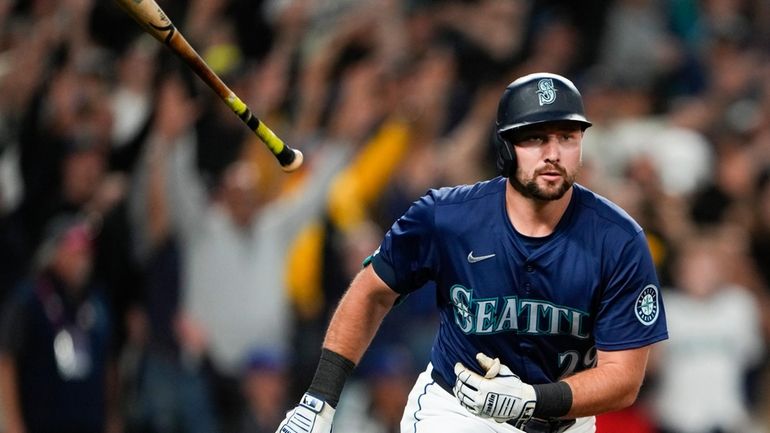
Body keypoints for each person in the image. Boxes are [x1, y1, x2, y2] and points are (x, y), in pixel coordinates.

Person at [275, 72, 668, 433]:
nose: (553, 153)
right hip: (458, 412)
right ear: (506, 145)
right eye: (535, 137)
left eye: (567, 137)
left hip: (563, 420)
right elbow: (371, 291)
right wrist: (319, 399)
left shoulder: (619, 239)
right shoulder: (446, 216)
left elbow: (624, 379)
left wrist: (533, 399)